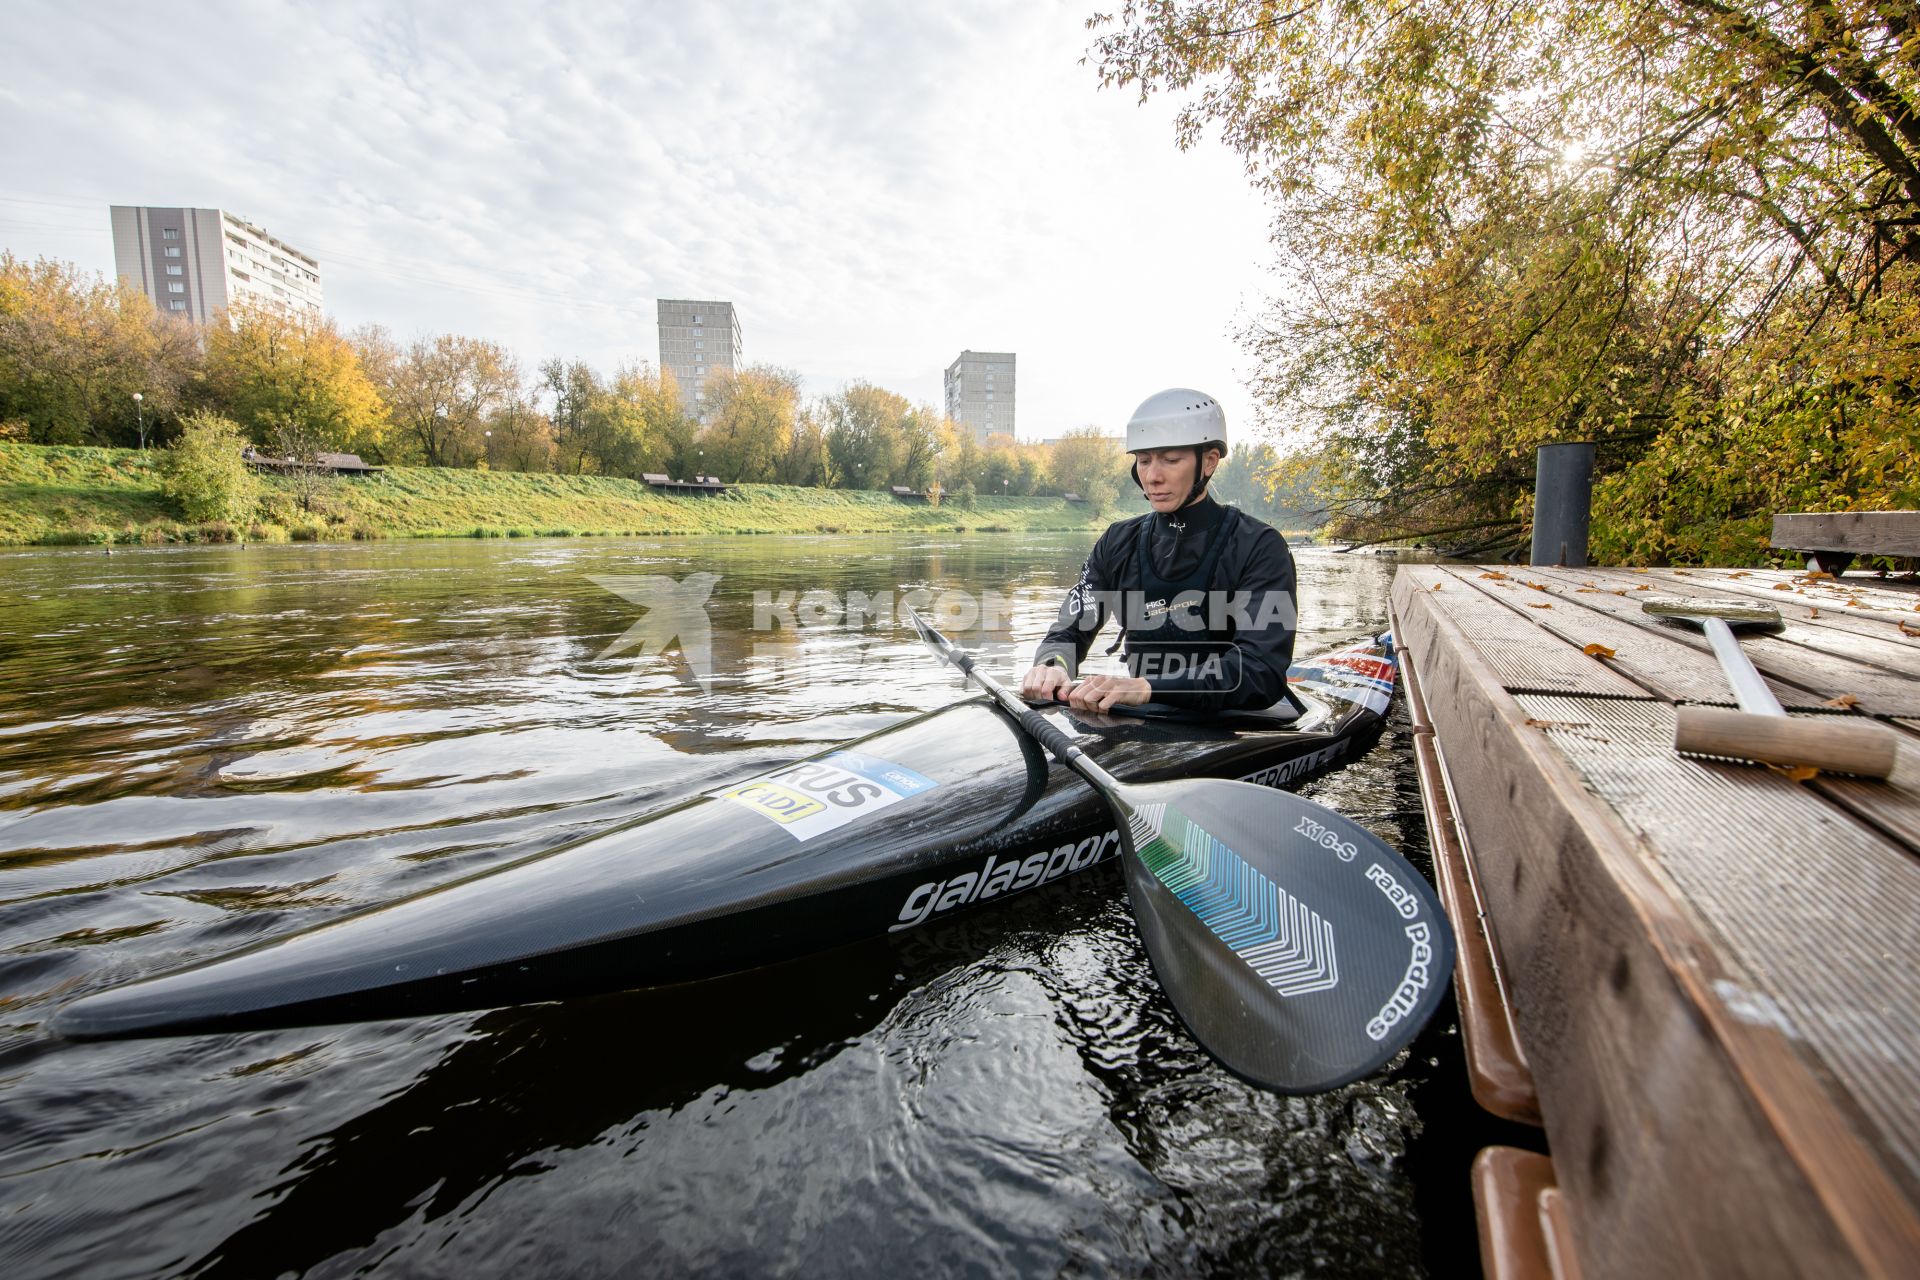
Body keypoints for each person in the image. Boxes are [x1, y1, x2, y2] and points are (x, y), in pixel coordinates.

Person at [1019, 388, 1297, 714]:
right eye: (1144, 460)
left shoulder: (1260, 546)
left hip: (1230, 722)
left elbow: (1259, 672)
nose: (1152, 476)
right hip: (1146, 715)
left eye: (1170, 460)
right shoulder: (1117, 541)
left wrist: (1146, 687)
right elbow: (1070, 626)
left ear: (1208, 461)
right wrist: (1053, 665)